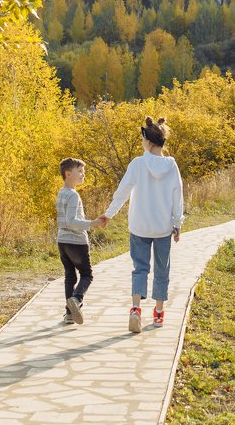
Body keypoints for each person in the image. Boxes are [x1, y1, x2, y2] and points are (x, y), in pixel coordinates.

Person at [102, 117, 184, 334]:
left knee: (140, 268)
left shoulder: (138, 164)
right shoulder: (172, 165)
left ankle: (136, 309)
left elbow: (122, 193)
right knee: (161, 269)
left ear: (147, 141)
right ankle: (158, 313)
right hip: (162, 227)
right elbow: (178, 196)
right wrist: (177, 224)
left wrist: (109, 214)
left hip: (139, 226)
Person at [56, 158, 106, 325]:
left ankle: (69, 315)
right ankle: (76, 300)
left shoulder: (61, 193)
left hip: (62, 241)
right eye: (80, 171)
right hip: (76, 241)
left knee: (70, 276)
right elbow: (71, 220)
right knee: (87, 275)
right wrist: (92, 223)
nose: (83, 174)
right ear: (68, 174)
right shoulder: (73, 195)